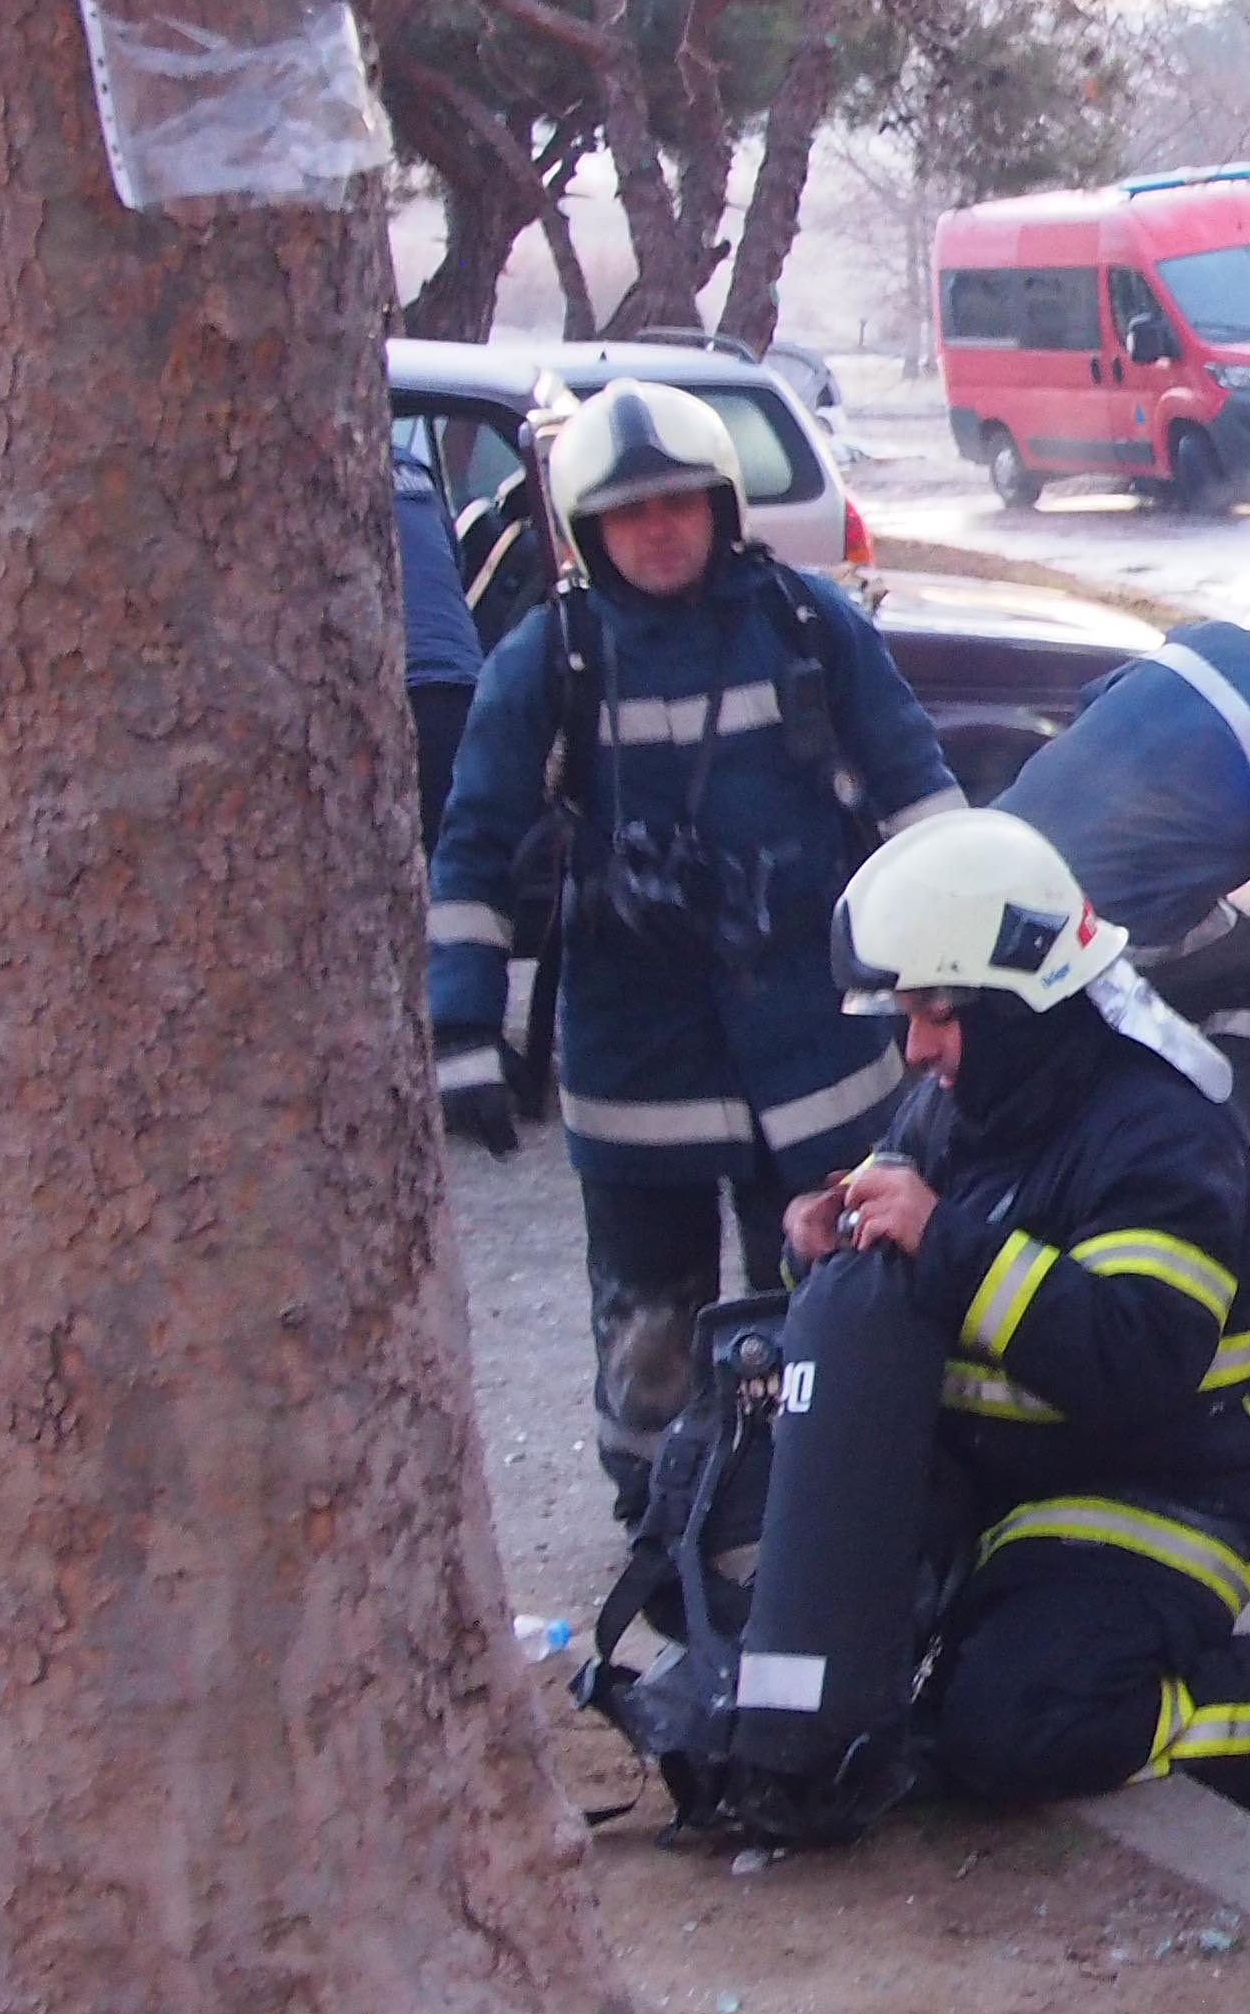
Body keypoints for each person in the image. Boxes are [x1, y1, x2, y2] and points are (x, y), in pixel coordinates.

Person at [429, 378, 962, 1519]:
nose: (658, 529)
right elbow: (473, 842)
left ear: (721, 506)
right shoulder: (548, 659)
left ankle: (840, 1495)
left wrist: (961, 972)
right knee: (648, 1321)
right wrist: (462, 1028)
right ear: (589, 530)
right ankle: (661, 1514)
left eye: (677, 503)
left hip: (815, 1049)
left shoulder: (811, 626)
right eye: (630, 513)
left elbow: (921, 797)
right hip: (639, 1067)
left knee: (835, 1289)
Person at [797, 808, 1250, 1833]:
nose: (916, 1048)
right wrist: (820, 1245)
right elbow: (900, 1273)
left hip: (1169, 1491)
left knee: (1010, 1727)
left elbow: (1134, 1359)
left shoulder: (1163, 1136)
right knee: (810, 1672)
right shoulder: (969, 1104)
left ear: (1017, 1001)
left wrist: (945, 1242)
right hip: (996, 1487)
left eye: (938, 1012)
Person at [987, 591, 1250, 1173]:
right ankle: (1215, 1176)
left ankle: (1152, 1094)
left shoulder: (1203, 642)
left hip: (996, 871)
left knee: (1219, 936)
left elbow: (1094, 703)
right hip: (1086, 921)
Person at [396, 438, 485, 850]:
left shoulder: (316, 479)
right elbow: (455, 561)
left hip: (397, 689)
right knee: (447, 848)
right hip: (462, 682)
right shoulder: (413, 470)